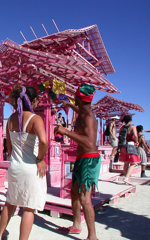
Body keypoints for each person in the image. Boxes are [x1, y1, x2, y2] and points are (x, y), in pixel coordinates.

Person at [0, 85, 48, 240]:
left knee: (10, 203)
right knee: (28, 208)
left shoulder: (11, 119)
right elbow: (44, 141)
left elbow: (9, 147)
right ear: (32, 100)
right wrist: (40, 159)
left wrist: (15, 158)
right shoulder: (35, 119)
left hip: (14, 166)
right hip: (30, 167)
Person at [54, 83, 100, 240]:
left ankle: (92, 236)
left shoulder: (88, 117)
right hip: (81, 159)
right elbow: (79, 109)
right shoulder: (83, 111)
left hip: (89, 160)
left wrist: (65, 132)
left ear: (79, 97)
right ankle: (76, 225)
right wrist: (69, 105)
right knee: (74, 191)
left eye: (75, 96)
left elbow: (89, 142)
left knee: (84, 198)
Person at [118, 115, 140, 184]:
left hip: (123, 146)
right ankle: (127, 178)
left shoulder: (122, 128)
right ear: (130, 121)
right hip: (130, 145)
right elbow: (135, 136)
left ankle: (125, 178)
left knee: (126, 163)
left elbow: (120, 136)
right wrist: (137, 142)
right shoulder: (132, 127)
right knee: (134, 163)